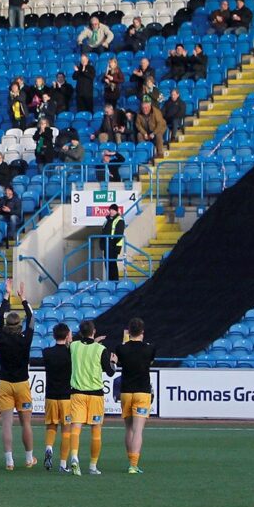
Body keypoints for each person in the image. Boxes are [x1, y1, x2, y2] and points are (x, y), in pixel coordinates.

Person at [67, 319, 116, 476]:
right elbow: (110, 372)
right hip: (95, 394)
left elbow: (82, 346)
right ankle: (93, 466)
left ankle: (74, 457)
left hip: (77, 393)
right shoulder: (101, 349)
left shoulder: (73, 346)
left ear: (80, 332)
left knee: (76, 427)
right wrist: (113, 362)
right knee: (96, 430)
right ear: (94, 332)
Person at [0, 287, 36, 471]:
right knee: (25, 423)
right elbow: (32, 319)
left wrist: (6, 296)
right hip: (22, 383)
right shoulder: (25, 338)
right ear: (19, 324)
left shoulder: (1, 337)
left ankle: (9, 460)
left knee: (6, 423)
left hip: (4, 382)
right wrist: (23, 299)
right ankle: (28, 458)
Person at [115, 317, 156, 474]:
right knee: (138, 430)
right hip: (142, 392)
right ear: (142, 332)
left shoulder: (121, 348)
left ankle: (130, 459)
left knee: (129, 429)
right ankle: (133, 464)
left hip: (126, 392)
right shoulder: (150, 348)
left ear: (129, 332)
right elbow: (149, 363)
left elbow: (120, 358)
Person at [41, 323, 73, 473]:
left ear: (53, 336)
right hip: (66, 396)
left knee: (51, 426)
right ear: (67, 336)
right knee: (66, 429)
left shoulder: (47, 352)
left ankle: (48, 448)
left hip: (51, 395)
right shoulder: (70, 353)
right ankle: (62, 463)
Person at [100, 204, 125, 281]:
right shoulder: (106, 221)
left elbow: (119, 234)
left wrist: (112, 243)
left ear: (116, 211)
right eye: (110, 210)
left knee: (112, 264)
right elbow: (103, 233)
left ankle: (115, 281)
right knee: (107, 264)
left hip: (114, 246)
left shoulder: (119, 220)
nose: (111, 211)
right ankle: (110, 281)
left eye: (113, 210)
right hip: (106, 246)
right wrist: (101, 244)